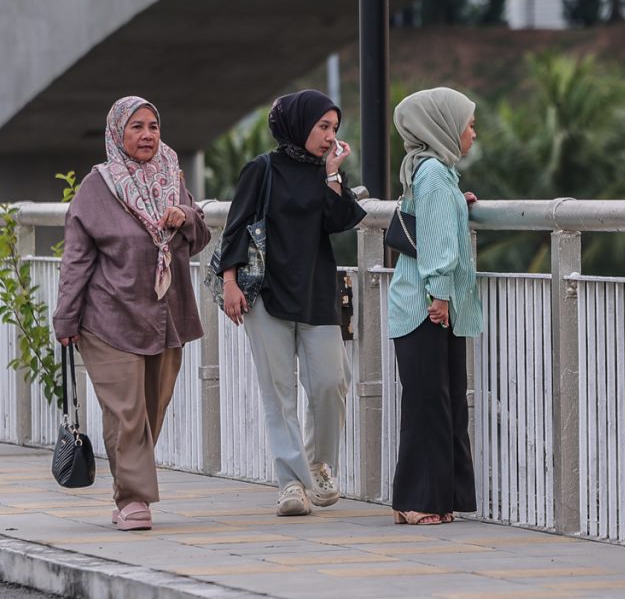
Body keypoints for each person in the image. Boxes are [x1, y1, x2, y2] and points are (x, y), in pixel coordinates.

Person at [53, 96, 211, 531]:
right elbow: (76, 261)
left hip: (165, 315)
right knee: (126, 412)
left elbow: (199, 236)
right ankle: (133, 500)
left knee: (151, 409)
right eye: (136, 127)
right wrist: (66, 319)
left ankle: (128, 486)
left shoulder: (171, 176)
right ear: (117, 134)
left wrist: (185, 216)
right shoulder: (97, 188)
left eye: (153, 126)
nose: (147, 135)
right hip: (108, 317)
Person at [218, 89, 365, 516]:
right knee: (278, 393)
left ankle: (318, 465)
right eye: (323, 127)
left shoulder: (325, 173)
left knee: (331, 383)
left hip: (317, 291)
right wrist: (230, 282)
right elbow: (236, 227)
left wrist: (333, 175)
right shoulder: (262, 169)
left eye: (334, 128)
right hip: (266, 295)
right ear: (299, 125)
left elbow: (340, 221)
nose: (330, 136)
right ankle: (291, 484)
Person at [388, 87, 482, 525]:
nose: (473, 134)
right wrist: (440, 295)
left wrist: (459, 203)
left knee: (439, 403)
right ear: (443, 127)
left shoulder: (431, 173)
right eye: (468, 125)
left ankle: (435, 499)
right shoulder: (433, 175)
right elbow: (439, 243)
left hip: (421, 304)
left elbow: (435, 220)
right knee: (430, 406)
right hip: (426, 307)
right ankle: (417, 502)